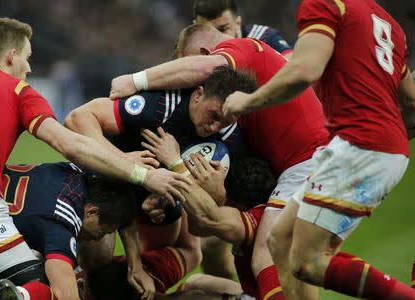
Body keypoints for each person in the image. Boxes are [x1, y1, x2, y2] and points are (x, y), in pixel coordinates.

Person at [0, 17, 190, 300]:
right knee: (42, 288)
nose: (30, 67)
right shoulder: (19, 92)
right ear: (11, 57)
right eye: (27, 57)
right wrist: (141, 173)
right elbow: (69, 144)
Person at [109, 23, 329, 299]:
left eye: (185, 65)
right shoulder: (233, 125)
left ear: (204, 53)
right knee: (199, 284)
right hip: (300, 162)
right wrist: (170, 196)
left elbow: (209, 220)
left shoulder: (242, 50)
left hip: (307, 158)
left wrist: (136, 81)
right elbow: (201, 224)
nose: (188, 86)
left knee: (267, 252)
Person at [220, 0, 415, 299]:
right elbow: (411, 102)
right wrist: (389, 142)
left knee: (308, 261)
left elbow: (305, 70)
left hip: (359, 144)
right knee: (280, 241)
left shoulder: (326, 3)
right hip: (377, 145)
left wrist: (246, 101)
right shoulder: (388, 22)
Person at [141, 128, 279, 300]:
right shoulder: (260, 204)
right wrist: (169, 195)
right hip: (254, 291)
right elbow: (200, 226)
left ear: (237, 205)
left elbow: (203, 221)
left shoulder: (259, 221)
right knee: (196, 282)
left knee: (191, 297)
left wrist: (175, 163)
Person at [0, 162, 138, 300]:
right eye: (102, 231)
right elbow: (68, 297)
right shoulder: (62, 223)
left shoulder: (78, 171)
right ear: (92, 212)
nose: (98, 239)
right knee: (43, 284)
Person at [65, 65, 257, 170]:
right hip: (108, 175)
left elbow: (219, 206)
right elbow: (77, 118)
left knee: (187, 232)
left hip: (158, 190)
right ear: (199, 94)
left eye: (225, 122)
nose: (215, 127)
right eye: (213, 115)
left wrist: (216, 190)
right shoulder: (160, 106)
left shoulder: (231, 140)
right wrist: (122, 160)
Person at [192, 0, 293, 58]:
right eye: (206, 30)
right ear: (195, 27)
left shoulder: (263, 38)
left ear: (238, 22)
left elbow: (292, 64)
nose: (215, 38)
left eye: (222, 29)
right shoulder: (189, 47)